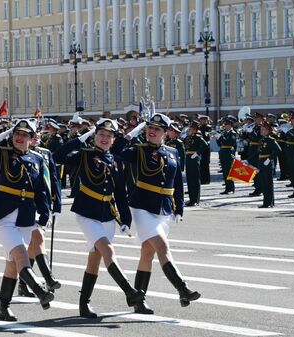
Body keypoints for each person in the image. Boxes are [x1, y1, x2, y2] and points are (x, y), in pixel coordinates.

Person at [55, 118, 145, 318]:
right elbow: (58, 156)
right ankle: (129, 292)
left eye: (109, 136)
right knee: (108, 251)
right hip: (87, 213)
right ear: (94, 136)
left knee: (95, 258)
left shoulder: (115, 160)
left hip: (107, 215)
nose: (105, 138)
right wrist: (80, 139)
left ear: (114, 140)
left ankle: (84, 304)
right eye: (101, 134)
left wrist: (126, 219)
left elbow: (120, 193)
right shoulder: (83, 155)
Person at [0, 119, 54, 321]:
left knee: (11, 265)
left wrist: (46, 212)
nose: (19, 138)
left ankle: (4, 307)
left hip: (26, 217)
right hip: (4, 217)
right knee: (20, 256)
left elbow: (41, 189)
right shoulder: (2, 154)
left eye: (25, 135)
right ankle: (39, 290)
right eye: (16, 133)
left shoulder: (37, 159)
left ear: (32, 139)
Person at [118, 113, 201, 313]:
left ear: (165, 132)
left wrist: (179, 207)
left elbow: (178, 182)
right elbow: (117, 150)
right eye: (149, 129)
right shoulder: (138, 150)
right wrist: (130, 134)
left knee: (148, 253)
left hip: (164, 209)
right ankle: (182, 289)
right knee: (162, 246)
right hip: (142, 207)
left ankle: (139, 300)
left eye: (157, 129)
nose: (152, 132)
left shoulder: (173, 151)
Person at [17, 128, 62, 298]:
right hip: (28, 202)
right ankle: (48, 278)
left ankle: (23, 284)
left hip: (43, 202)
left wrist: (56, 205)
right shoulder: (20, 154)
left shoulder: (45, 153)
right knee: (38, 239)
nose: (35, 137)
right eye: (32, 135)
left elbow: (53, 178)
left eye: (37, 134)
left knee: (32, 245)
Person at [253, 122, 281, 208]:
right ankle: (266, 202)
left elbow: (278, 150)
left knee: (268, 184)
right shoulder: (262, 140)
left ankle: (269, 202)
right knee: (264, 183)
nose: (261, 130)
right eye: (261, 129)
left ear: (267, 131)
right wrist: (248, 159)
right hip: (262, 162)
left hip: (267, 163)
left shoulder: (271, 140)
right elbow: (258, 152)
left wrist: (269, 159)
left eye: (263, 129)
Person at [183, 121, 209, 206]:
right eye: (189, 129)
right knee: (189, 179)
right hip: (188, 158)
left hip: (194, 158)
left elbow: (205, 145)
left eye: (190, 129)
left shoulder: (198, 137)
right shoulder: (187, 137)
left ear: (194, 130)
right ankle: (191, 199)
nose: (189, 130)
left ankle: (195, 200)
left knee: (195, 179)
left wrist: (197, 153)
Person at [216, 117, 238, 195]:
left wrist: (221, 137)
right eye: (225, 125)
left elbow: (230, 142)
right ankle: (227, 188)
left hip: (229, 152)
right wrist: (217, 138)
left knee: (229, 171)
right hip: (223, 152)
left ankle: (231, 188)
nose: (225, 126)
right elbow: (219, 144)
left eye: (227, 125)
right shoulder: (225, 133)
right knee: (225, 171)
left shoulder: (233, 133)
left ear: (231, 125)